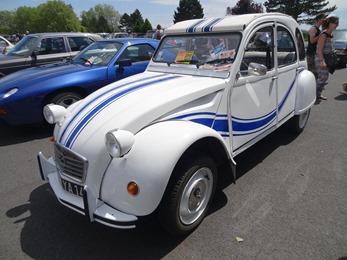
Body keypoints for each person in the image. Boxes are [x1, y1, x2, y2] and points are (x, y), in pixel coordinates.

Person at [315, 16, 339, 100]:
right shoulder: (323, 35)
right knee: (322, 77)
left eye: (337, 23)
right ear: (329, 23)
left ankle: (318, 94)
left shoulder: (331, 34)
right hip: (321, 59)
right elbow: (319, 49)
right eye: (334, 23)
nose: (336, 25)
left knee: (324, 78)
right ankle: (311, 94)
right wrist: (322, 61)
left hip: (328, 59)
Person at [307, 13, 327, 79]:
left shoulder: (318, 29)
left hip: (315, 53)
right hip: (311, 54)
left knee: (316, 72)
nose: (325, 19)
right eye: (323, 18)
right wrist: (321, 35)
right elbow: (312, 41)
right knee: (312, 72)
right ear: (319, 19)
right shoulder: (313, 29)